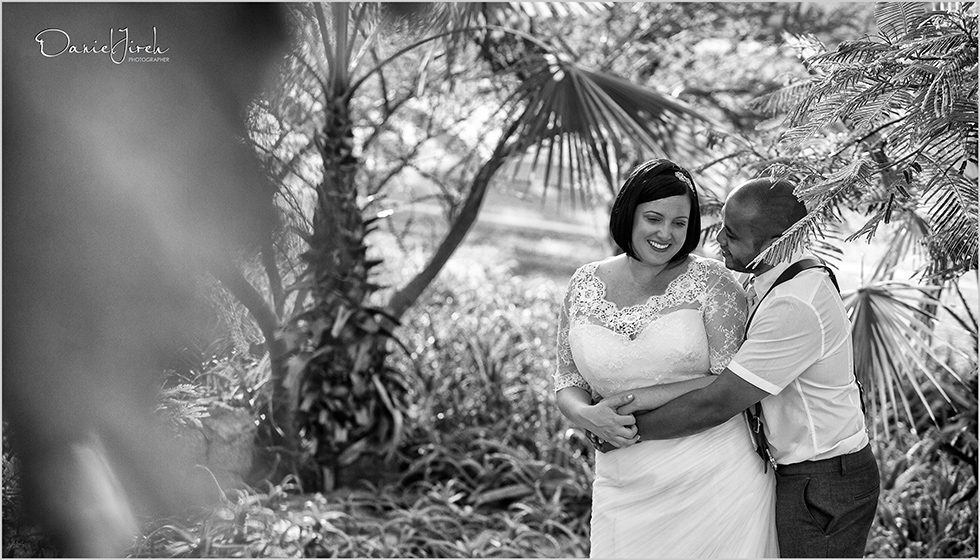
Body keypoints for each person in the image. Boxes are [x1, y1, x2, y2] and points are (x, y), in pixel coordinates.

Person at [614, 177, 881, 557]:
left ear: (775, 244)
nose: (718, 239)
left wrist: (626, 433)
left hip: (823, 481)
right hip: (803, 473)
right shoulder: (771, 276)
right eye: (723, 225)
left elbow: (718, 402)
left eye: (733, 235)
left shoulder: (795, 304)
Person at [553, 159, 778, 558]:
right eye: (654, 218)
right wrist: (587, 416)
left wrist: (637, 401)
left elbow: (731, 380)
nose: (666, 234)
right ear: (628, 215)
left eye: (680, 223)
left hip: (716, 474)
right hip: (623, 474)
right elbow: (567, 381)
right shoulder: (584, 282)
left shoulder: (714, 282)